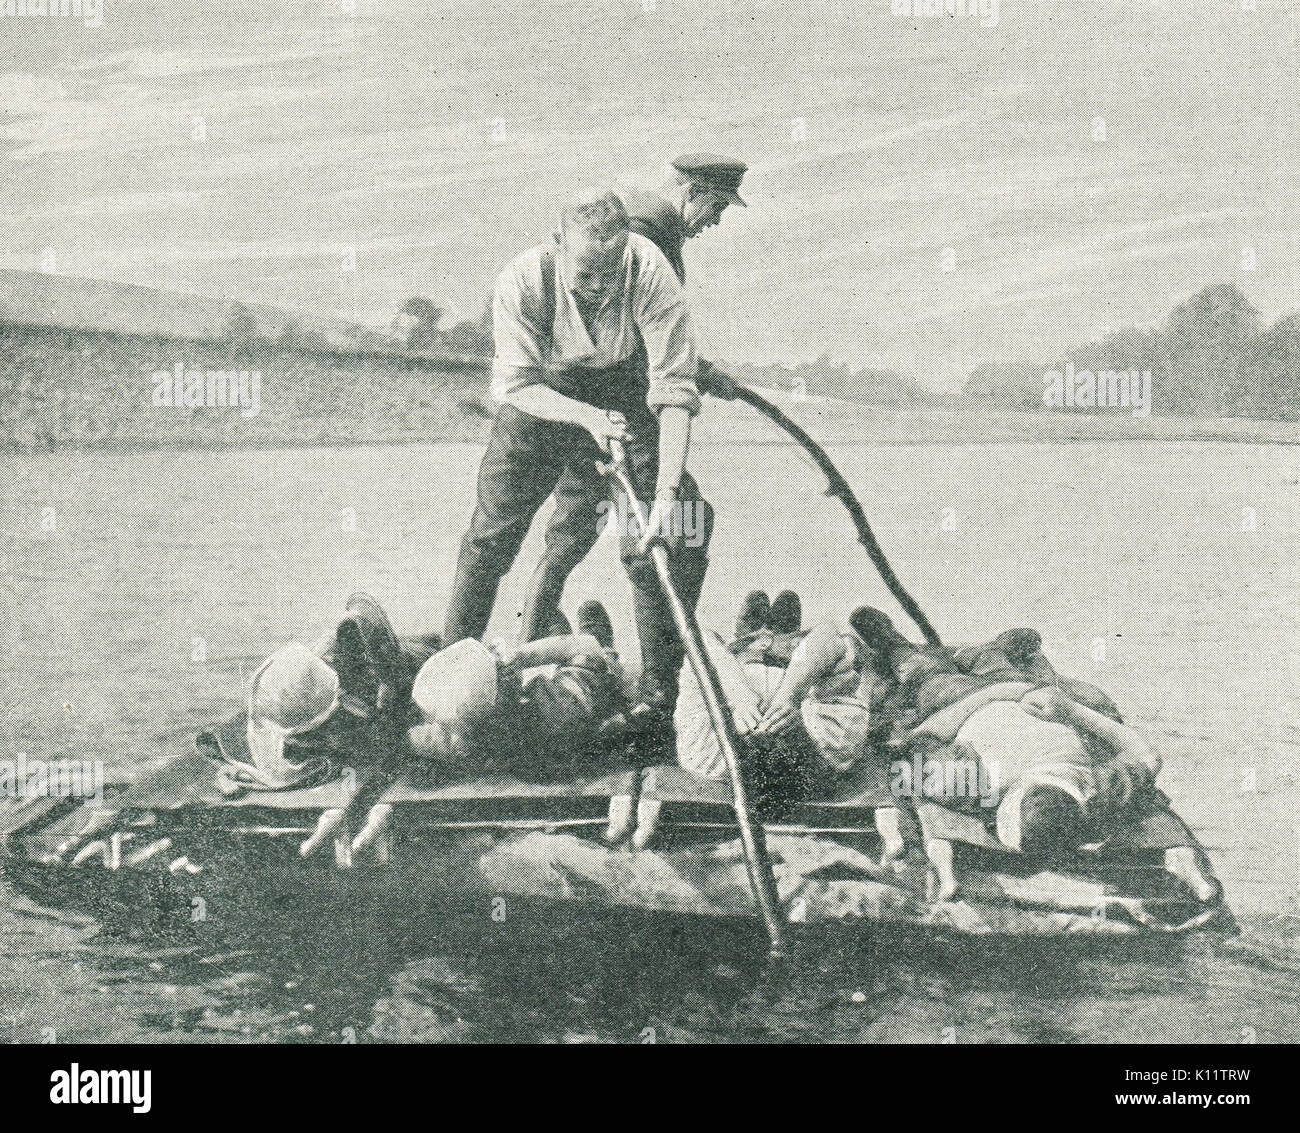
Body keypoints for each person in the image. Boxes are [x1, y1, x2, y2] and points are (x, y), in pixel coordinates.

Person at [442, 190, 712, 719]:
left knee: (679, 528)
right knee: (490, 536)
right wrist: (587, 418)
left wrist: (666, 492)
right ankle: (451, 677)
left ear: (629, 248)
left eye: (609, 272)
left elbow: (675, 393)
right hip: (540, 401)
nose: (597, 287)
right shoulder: (522, 281)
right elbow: (516, 386)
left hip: (625, 401)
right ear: (558, 244)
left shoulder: (653, 275)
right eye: (584, 272)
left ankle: (659, 691)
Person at [516, 156, 750, 646]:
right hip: (628, 414)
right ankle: (663, 678)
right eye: (717, 206)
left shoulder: (640, 226)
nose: (716, 220)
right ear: (691, 191)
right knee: (677, 527)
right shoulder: (651, 233)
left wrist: (700, 373)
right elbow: (643, 346)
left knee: (574, 525)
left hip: (586, 406)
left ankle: (528, 637)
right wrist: (693, 375)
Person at [849, 609, 1220, 903]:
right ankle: (901, 641)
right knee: (925, 674)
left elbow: (1146, 755)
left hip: (1022, 697)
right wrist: (1052, 707)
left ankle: (977, 648)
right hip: (967, 701)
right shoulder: (983, 781)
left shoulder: (1093, 788)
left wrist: (1067, 711)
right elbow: (929, 736)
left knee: (959, 669)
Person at [411, 599, 630, 782]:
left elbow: (421, 737)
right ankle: (606, 645)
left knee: (547, 618)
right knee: (595, 661)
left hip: (542, 718)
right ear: (506, 685)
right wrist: (524, 654)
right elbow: (584, 648)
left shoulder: (467, 735)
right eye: (498, 661)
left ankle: (560, 635)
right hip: (581, 691)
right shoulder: (560, 709)